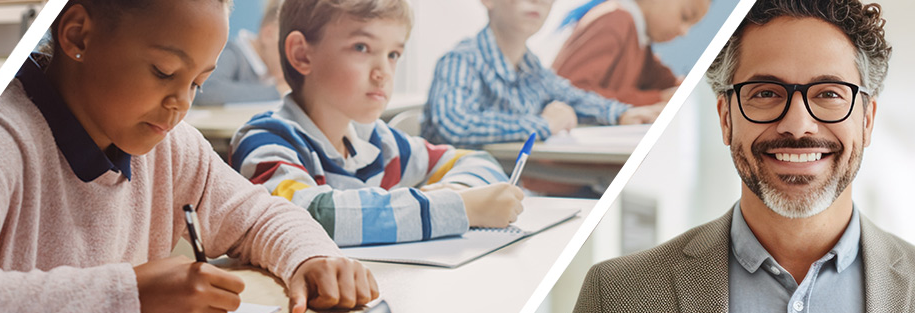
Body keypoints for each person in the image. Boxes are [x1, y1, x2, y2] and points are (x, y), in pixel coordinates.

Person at [0, 1, 379, 313]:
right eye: (164, 72)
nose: (180, 105)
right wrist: (127, 294)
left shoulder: (172, 147)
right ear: (77, 34)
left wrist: (313, 255)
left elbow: (259, 216)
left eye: (197, 83)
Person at [564, 1, 915, 313]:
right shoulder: (615, 297)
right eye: (765, 93)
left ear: (867, 121)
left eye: (829, 93)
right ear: (726, 118)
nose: (797, 125)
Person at [228, 0, 524, 247]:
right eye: (362, 47)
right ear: (302, 54)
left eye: (393, 54)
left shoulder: (377, 142)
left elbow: (478, 162)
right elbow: (310, 218)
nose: (383, 71)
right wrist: (459, 207)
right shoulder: (264, 141)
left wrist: (457, 189)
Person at [420, 0, 662, 148]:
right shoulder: (461, 60)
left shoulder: (531, 68)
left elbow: (573, 97)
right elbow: (454, 125)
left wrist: (622, 114)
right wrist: (543, 124)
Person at [552, 0, 711, 106]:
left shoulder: (640, 42)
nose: (684, 32)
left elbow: (666, 82)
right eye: (685, 16)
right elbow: (570, 92)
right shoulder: (615, 20)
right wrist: (658, 99)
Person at [192, 0, 288, 106]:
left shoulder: (269, 71)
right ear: (268, 34)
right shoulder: (232, 53)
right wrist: (278, 91)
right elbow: (206, 90)